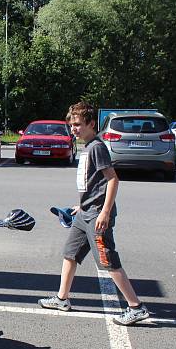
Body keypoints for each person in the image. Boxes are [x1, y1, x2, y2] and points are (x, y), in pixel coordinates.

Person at [38, 101, 149, 326]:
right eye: (71, 125)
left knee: (107, 260)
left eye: (78, 124)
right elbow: (94, 184)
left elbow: (112, 180)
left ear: (91, 123)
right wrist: (82, 206)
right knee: (70, 253)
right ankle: (62, 299)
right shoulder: (88, 147)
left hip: (97, 216)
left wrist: (104, 212)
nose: (74, 129)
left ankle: (136, 307)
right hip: (85, 213)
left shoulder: (97, 147)